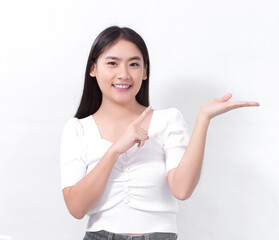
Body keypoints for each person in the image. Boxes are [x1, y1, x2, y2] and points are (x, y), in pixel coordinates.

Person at [60, 26, 259, 240]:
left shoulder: (168, 120)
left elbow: (182, 190)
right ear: (93, 68)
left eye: (134, 64)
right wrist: (115, 150)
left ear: (145, 71)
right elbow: (76, 207)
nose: (124, 74)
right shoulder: (78, 129)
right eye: (112, 63)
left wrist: (203, 119)